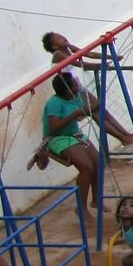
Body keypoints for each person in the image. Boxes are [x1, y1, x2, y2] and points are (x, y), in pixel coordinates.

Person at [41, 31, 133, 145]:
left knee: (100, 109)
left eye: (62, 35)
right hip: (70, 90)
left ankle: (125, 134)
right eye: (59, 38)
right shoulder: (58, 54)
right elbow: (80, 64)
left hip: (77, 86)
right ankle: (122, 138)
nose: (63, 37)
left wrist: (111, 56)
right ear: (54, 46)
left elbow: (89, 54)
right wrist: (100, 65)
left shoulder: (69, 48)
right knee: (95, 112)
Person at [35, 72, 101, 210]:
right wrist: (74, 115)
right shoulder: (54, 103)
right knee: (86, 167)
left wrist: (83, 90)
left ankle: (96, 200)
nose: (77, 83)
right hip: (57, 138)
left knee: (98, 161)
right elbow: (53, 128)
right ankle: (81, 208)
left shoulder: (76, 95)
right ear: (69, 90)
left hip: (75, 135)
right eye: (75, 83)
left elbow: (95, 104)